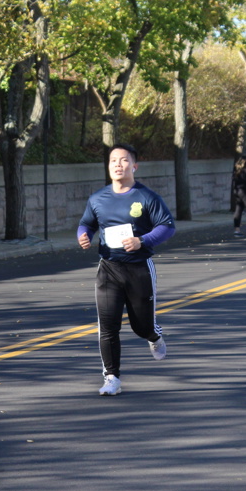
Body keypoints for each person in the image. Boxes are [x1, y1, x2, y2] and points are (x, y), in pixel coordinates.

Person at [77, 144, 175, 396]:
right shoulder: (97, 198)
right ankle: (111, 377)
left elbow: (167, 226)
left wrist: (142, 241)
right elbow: (86, 223)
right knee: (107, 327)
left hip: (139, 268)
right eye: (113, 161)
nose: (118, 165)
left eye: (123, 160)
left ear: (134, 166)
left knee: (141, 326)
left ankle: (154, 336)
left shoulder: (147, 197)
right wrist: (83, 235)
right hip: (108, 269)